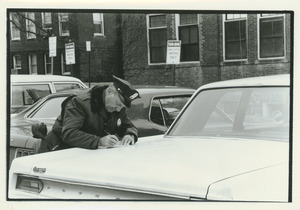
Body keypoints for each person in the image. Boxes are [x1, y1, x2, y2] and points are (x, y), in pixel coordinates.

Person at [34, 75, 140, 153]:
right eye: (117, 104)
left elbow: (128, 126)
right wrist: (98, 141)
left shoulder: (116, 108)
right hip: (58, 151)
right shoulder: (80, 102)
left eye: (121, 107)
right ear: (110, 92)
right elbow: (69, 133)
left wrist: (130, 135)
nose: (118, 109)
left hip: (85, 154)